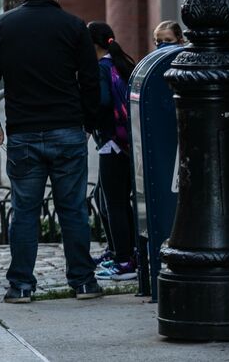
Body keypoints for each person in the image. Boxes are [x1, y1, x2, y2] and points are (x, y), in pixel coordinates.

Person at [0, 0, 102, 303]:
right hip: (67, 130)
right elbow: (90, 81)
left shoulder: (1, 27)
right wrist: (89, 121)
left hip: (23, 134)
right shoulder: (75, 28)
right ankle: (84, 281)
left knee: (25, 210)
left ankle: (21, 286)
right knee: (73, 208)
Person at [87, 21, 138, 281]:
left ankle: (124, 260)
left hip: (111, 144)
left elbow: (103, 102)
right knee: (104, 198)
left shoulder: (99, 68)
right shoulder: (122, 64)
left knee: (114, 203)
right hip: (128, 144)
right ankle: (123, 251)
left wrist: (89, 119)